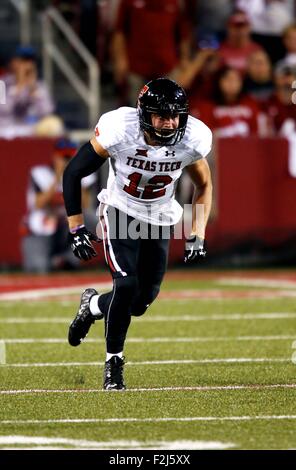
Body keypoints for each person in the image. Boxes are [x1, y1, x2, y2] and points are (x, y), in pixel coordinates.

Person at [63, 78, 213, 390]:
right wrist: (76, 227)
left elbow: (204, 185)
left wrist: (197, 231)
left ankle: (91, 307)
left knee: (141, 300)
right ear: (144, 113)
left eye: (174, 115)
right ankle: (113, 364)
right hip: (120, 210)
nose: (169, 122)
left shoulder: (193, 138)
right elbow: (74, 171)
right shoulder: (120, 129)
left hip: (159, 216)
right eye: (161, 115)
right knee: (126, 283)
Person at [21, 138, 96, 273]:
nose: (66, 160)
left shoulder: (85, 176)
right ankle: (53, 261)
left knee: (91, 218)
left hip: (66, 227)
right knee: (39, 268)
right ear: (55, 156)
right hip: (42, 229)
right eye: (63, 157)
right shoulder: (40, 173)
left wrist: (74, 175)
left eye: (69, 157)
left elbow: (86, 205)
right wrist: (58, 176)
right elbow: (38, 204)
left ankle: (68, 259)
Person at [111, 0, 191, 105]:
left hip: (167, 68)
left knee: (168, 110)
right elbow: (119, 32)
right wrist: (120, 59)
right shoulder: (128, 2)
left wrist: (184, 60)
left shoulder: (174, 3)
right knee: (135, 111)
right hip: (136, 68)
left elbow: (183, 35)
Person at [0, 46, 55, 138]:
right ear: (13, 63)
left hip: (28, 131)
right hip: (4, 131)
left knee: (53, 124)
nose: (28, 65)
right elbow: (3, 110)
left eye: (31, 61)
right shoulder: (2, 83)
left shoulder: (38, 85)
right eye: (23, 61)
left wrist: (33, 89)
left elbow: (47, 112)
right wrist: (18, 87)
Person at [190, 66, 260, 137]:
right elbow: (205, 136)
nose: (232, 83)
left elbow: (257, 134)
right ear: (219, 81)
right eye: (228, 79)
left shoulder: (250, 104)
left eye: (236, 80)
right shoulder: (207, 107)